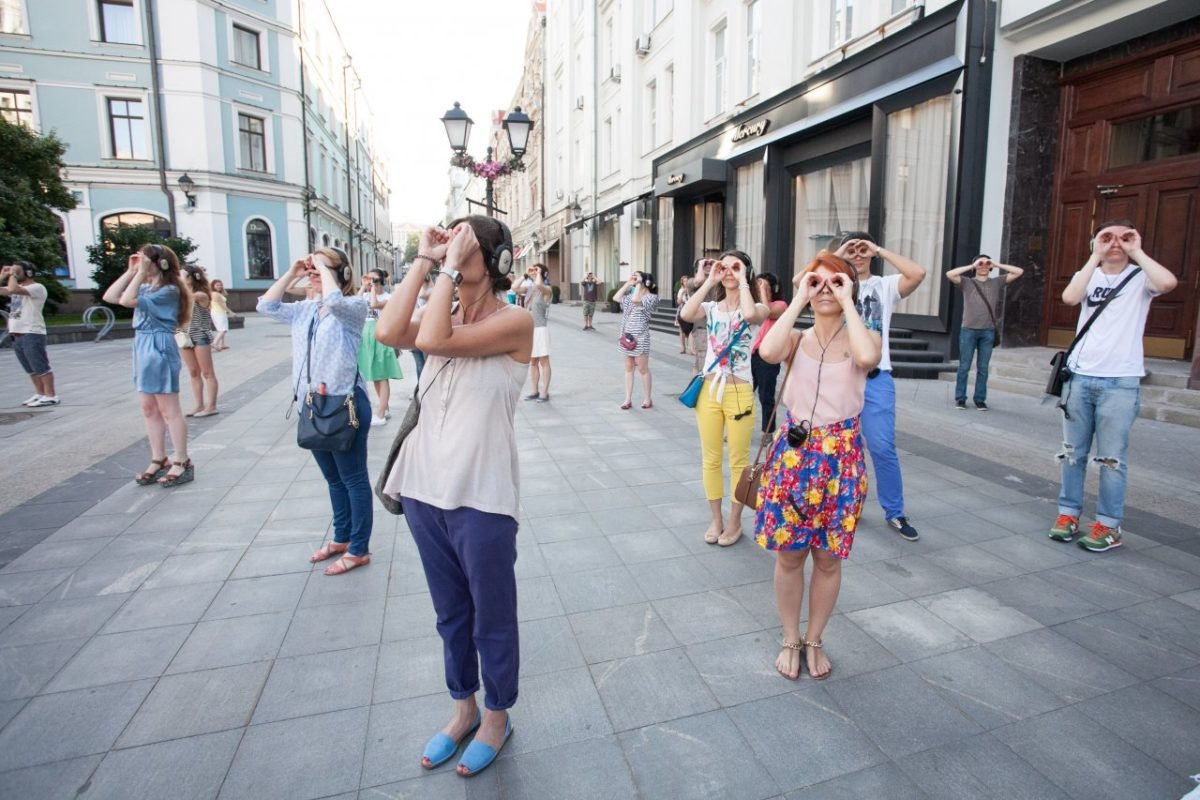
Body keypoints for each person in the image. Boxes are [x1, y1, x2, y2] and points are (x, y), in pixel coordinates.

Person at [376, 215, 532, 778]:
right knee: (450, 614)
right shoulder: (441, 308)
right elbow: (388, 332)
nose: (451, 245)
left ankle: (496, 716)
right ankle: (462, 708)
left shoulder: (516, 321)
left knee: (492, 615)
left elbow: (435, 340)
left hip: (482, 494)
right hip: (423, 488)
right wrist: (423, 258)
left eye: (463, 241)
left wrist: (446, 264)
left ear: (494, 261)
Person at [755, 251, 881, 681]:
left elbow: (867, 359)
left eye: (836, 282)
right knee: (790, 556)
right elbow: (768, 352)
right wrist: (797, 300)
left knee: (828, 559)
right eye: (817, 282)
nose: (825, 289)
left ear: (850, 287)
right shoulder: (796, 338)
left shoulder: (865, 335)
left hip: (842, 462)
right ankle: (790, 636)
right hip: (795, 457)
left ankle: (815, 637)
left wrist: (848, 303)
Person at [1050, 220, 1177, 553]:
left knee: (1111, 460)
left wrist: (1137, 251)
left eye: (1125, 237)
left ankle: (1108, 525)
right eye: (1108, 237)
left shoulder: (1140, 278)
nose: (1116, 243)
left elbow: (1168, 283)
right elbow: (1069, 297)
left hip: (1120, 381)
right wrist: (1096, 255)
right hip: (1079, 377)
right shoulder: (1090, 275)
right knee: (1072, 454)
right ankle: (1068, 515)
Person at [258, 247, 372, 575]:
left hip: (344, 406)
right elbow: (266, 305)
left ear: (342, 274)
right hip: (312, 406)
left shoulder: (352, 307)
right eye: (312, 267)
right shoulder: (306, 310)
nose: (313, 272)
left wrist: (322, 266)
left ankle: (359, 547)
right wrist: (294, 272)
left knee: (353, 479)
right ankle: (342, 537)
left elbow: (335, 301)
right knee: (333, 479)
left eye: (321, 268)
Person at [833, 231, 927, 542]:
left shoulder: (884, 287)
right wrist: (838, 254)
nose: (858, 255)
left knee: (883, 447)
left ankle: (895, 511)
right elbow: (800, 281)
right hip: (840, 378)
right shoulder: (834, 284)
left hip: (876, 378)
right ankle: (845, 505)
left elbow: (918, 273)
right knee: (841, 449)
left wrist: (879, 249)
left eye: (863, 250)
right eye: (853, 250)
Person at [679, 251, 769, 547]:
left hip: (740, 391)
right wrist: (710, 279)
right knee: (711, 458)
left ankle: (734, 522)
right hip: (709, 391)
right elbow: (686, 315)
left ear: (746, 271)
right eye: (724, 266)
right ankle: (716, 519)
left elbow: (752, 315)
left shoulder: (756, 306)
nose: (728, 271)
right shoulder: (710, 308)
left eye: (735, 266)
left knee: (739, 461)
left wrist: (743, 278)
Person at [102, 244, 194, 487]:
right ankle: (158, 458)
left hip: (159, 345)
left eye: (146, 260)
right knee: (149, 408)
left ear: (161, 263)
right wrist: (132, 272)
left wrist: (139, 273)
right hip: (142, 344)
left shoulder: (170, 290)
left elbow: (126, 300)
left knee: (168, 408)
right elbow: (110, 297)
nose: (142, 264)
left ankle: (182, 460)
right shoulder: (146, 285)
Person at [946, 255, 1023, 410]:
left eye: (987, 264)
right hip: (968, 329)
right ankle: (960, 398)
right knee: (964, 366)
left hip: (988, 331)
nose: (983, 266)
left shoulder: (996, 282)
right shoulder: (967, 283)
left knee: (983, 367)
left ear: (991, 267)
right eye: (980, 263)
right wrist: (971, 265)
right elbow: (950, 274)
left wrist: (996, 263)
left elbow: (1019, 271)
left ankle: (980, 399)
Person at [1, 261, 58, 407]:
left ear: (28, 273)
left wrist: (12, 274)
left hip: (32, 332)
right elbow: (7, 289)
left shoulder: (37, 288)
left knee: (40, 366)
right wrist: (2, 276)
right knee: (30, 368)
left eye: (18, 272)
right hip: (17, 333)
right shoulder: (16, 288)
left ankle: (51, 395)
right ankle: (40, 393)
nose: (13, 274)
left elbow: (13, 289)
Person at [358, 268, 403, 426]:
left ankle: (381, 413)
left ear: (381, 280)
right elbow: (354, 305)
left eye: (374, 279)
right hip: (367, 337)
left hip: (380, 336)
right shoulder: (365, 294)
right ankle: (386, 408)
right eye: (369, 278)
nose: (371, 282)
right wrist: (364, 286)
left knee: (382, 375)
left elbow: (374, 304)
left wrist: (372, 289)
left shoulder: (388, 297)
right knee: (376, 376)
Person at [613, 270, 660, 410]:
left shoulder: (652, 297)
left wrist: (639, 284)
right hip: (627, 337)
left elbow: (636, 301)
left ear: (646, 282)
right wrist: (628, 283)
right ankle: (627, 399)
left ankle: (647, 399)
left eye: (638, 277)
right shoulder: (630, 296)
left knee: (643, 369)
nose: (635, 279)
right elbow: (616, 297)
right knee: (628, 368)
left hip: (640, 338)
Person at [750, 272, 788, 433]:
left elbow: (769, 312)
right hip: (753, 355)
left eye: (763, 285)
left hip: (769, 357)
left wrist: (764, 291)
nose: (759, 288)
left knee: (766, 397)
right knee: (743, 393)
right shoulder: (757, 304)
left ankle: (768, 431)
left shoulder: (781, 305)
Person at [181, 266, 219, 417]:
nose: (179, 278)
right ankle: (198, 405)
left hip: (199, 334)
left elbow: (186, 297)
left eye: (183, 275)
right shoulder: (181, 293)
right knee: (193, 372)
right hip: (182, 334)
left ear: (191, 277)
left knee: (207, 372)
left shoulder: (200, 294)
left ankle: (212, 406)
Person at [520, 263, 552, 402]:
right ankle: (534, 390)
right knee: (532, 362)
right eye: (533, 270)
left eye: (536, 270)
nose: (533, 272)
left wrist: (539, 273)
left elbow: (539, 285)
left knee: (544, 361)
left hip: (540, 328)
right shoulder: (530, 289)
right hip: (529, 329)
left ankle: (545, 392)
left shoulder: (546, 289)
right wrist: (524, 275)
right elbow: (514, 287)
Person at [209, 279, 231, 351]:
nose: (220, 286)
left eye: (221, 285)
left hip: (218, 312)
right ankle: (214, 343)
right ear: (213, 286)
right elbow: (221, 305)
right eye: (217, 285)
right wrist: (230, 312)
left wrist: (221, 289)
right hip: (218, 312)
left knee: (220, 329)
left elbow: (225, 293)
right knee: (223, 329)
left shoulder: (217, 293)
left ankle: (222, 344)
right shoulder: (215, 294)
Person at [675, 279, 694, 355]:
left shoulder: (691, 290)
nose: (686, 282)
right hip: (682, 309)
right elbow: (678, 302)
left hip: (691, 309)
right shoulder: (681, 290)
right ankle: (683, 348)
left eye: (687, 280)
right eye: (684, 281)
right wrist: (683, 293)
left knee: (691, 329)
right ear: (682, 282)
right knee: (681, 330)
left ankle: (691, 348)